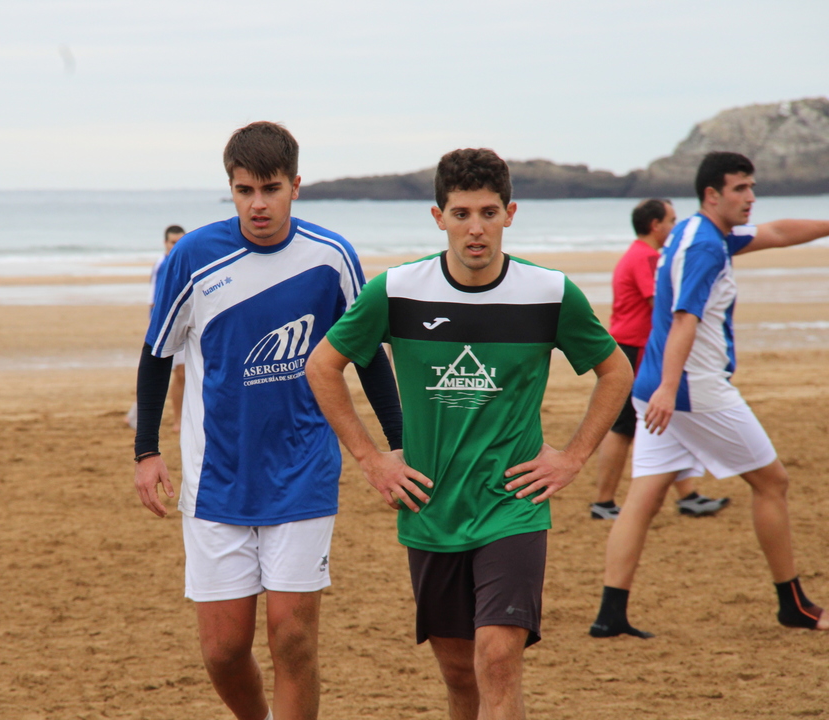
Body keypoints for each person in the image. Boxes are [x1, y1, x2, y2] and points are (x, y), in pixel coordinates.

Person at [306, 148, 631, 720]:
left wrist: (573, 457)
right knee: (459, 676)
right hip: (431, 508)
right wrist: (372, 459)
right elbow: (322, 366)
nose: (475, 228)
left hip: (513, 506)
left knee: (498, 659)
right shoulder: (397, 290)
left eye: (487, 212)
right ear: (439, 218)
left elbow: (616, 372)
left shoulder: (549, 293)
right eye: (461, 214)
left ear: (510, 214)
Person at [132, 122, 402, 720]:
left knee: (293, 639)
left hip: (302, 472)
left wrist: (397, 445)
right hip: (217, 478)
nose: (258, 204)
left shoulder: (331, 257)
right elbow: (156, 354)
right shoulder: (193, 256)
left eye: (271, 189)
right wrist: (146, 450)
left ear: (295, 186)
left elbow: (368, 356)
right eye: (245, 190)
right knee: (223, 651)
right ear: (230, 188)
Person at [590, 151, 829, 638]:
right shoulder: (704, 247)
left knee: (643, 497)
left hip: (656, 386)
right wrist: (670, 389)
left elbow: (776, 232)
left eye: (751, 186)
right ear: (712, 195)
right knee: (772, 482)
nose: (751, 196)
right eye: (740, 188)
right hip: (689, 390)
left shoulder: (696, 232)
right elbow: (684, 319)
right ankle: (794, 606)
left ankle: (609, 616)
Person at [590, 199, 730, 520]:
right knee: (624, 427)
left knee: (664, 420)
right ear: (655, 226)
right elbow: (663, 304)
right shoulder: (647, 257)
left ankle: (688, 495)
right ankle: (604, 502)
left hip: (632, 347)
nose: (675, 227)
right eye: (672, 220)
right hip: (634, 349)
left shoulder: (638, 254)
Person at [126, 224, 187, 431]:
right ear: (165, 242)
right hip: (166, 329)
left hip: (180, 326)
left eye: (179, 242)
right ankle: (176, 421)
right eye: (172, 242)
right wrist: (157, 331)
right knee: (166, 373)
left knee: (178, 373)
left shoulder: (181, 261)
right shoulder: (162, 265)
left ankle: (136, 415)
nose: (175, 246)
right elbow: (153, 301)